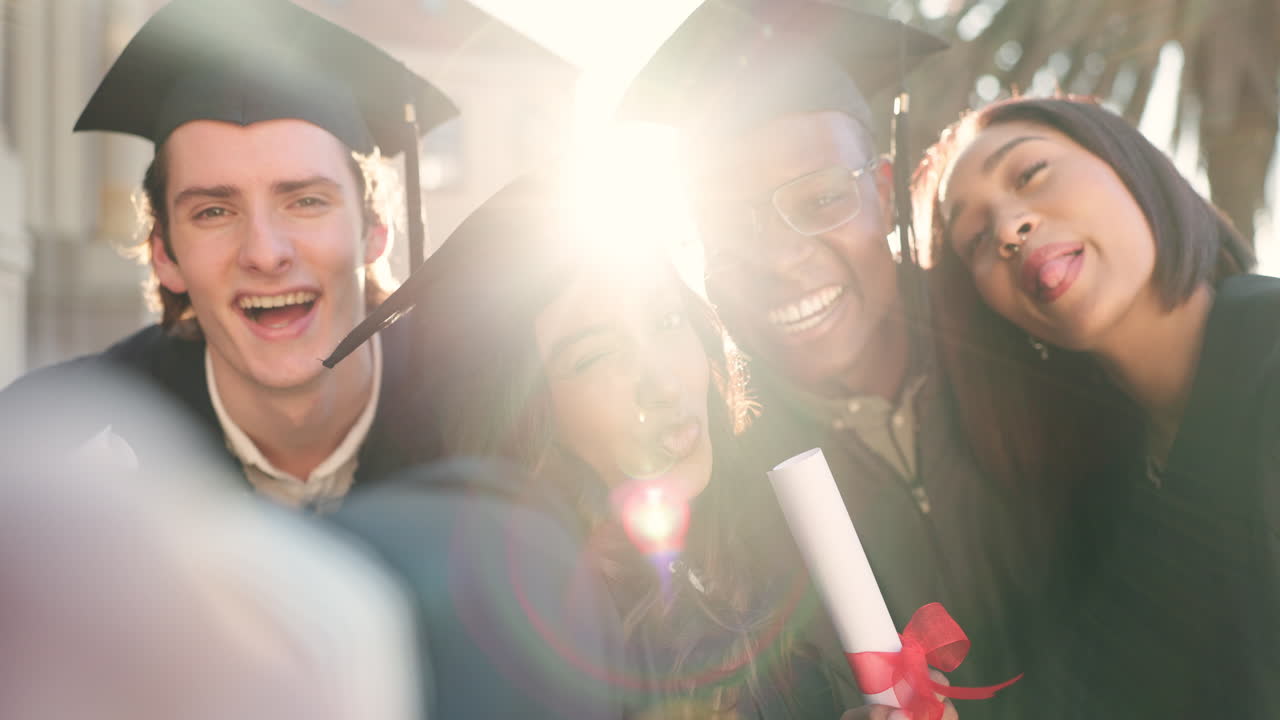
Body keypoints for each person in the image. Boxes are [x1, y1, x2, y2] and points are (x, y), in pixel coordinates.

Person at [323, 167, 959, 719]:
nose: (663, 384)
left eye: (666, 319)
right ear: (521, 414)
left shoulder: (741, 558)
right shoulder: (535, 656)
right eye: (597, 355)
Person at [617, 2, 1038, 714]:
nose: (780, 259)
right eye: (730, 224)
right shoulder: (724, 485)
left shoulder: (1031, 351)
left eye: (820, 200)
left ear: (880, 191)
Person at [0, 0, 456, 510]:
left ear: (375, 231)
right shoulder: (44, 446)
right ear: (164, 255)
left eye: (306, 202)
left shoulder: (488, 417)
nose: (264, 253)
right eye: (213, 212)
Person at [914, 94, 1277, 715]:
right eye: (974, 238)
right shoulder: (1108, 496)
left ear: (1128, 162)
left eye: (1030, 174)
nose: (1007, 228)